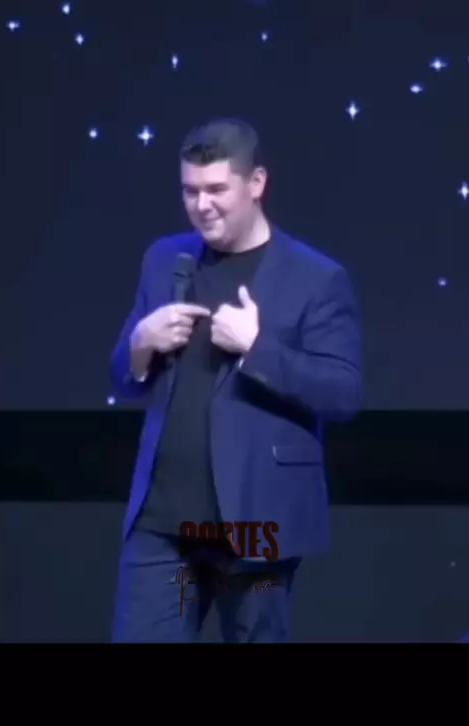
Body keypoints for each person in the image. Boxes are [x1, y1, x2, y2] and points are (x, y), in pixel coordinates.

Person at [110, 117, 362, 643]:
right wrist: (141, 341)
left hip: (257, 522)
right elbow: (124, 375)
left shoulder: (316, 277)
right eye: (190, 190)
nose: (202, 205)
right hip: (162, 523)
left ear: (256, 183)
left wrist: (257, 347)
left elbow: (342, 392)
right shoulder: (164, 259)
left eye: (217, 189)